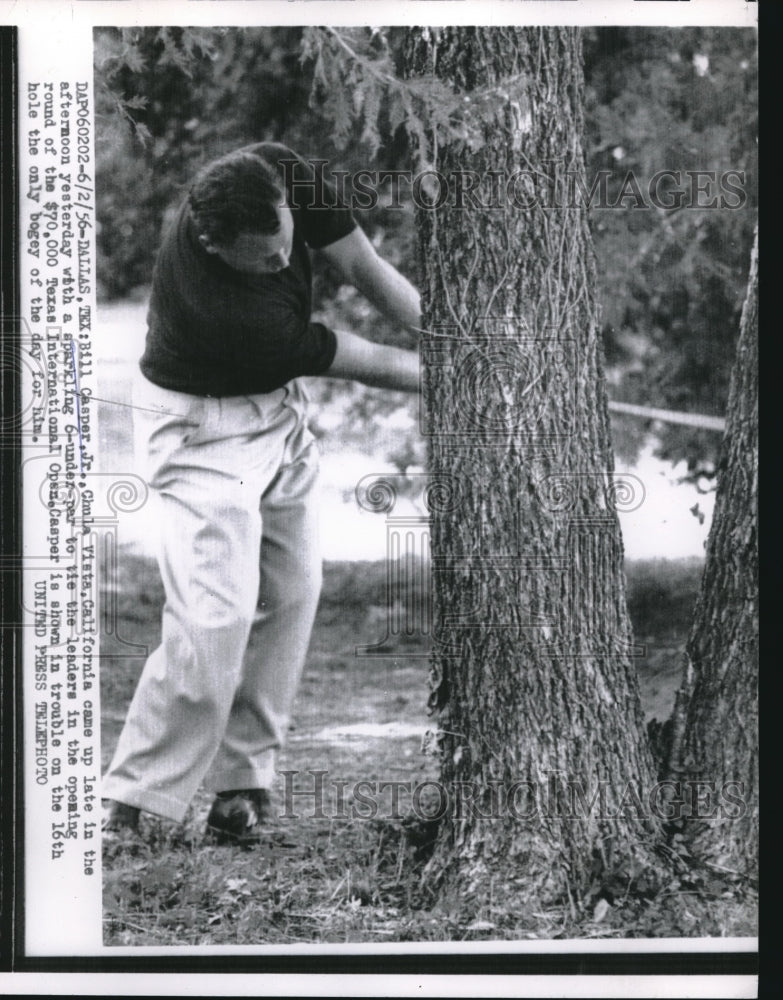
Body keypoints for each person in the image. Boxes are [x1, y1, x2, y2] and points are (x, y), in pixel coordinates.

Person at [101, 141, 421, 845]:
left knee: (295, 588)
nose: (284, 262)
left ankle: (242, 785)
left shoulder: (276, 172)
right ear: (216, 246)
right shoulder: (231, 313)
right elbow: (360, 360)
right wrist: (455, 376)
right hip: (200, 431)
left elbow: (362, 266)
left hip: (274, 411)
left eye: (287, 243)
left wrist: (457, 339)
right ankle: (137, 800)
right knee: (216, 614)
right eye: (267, 259)